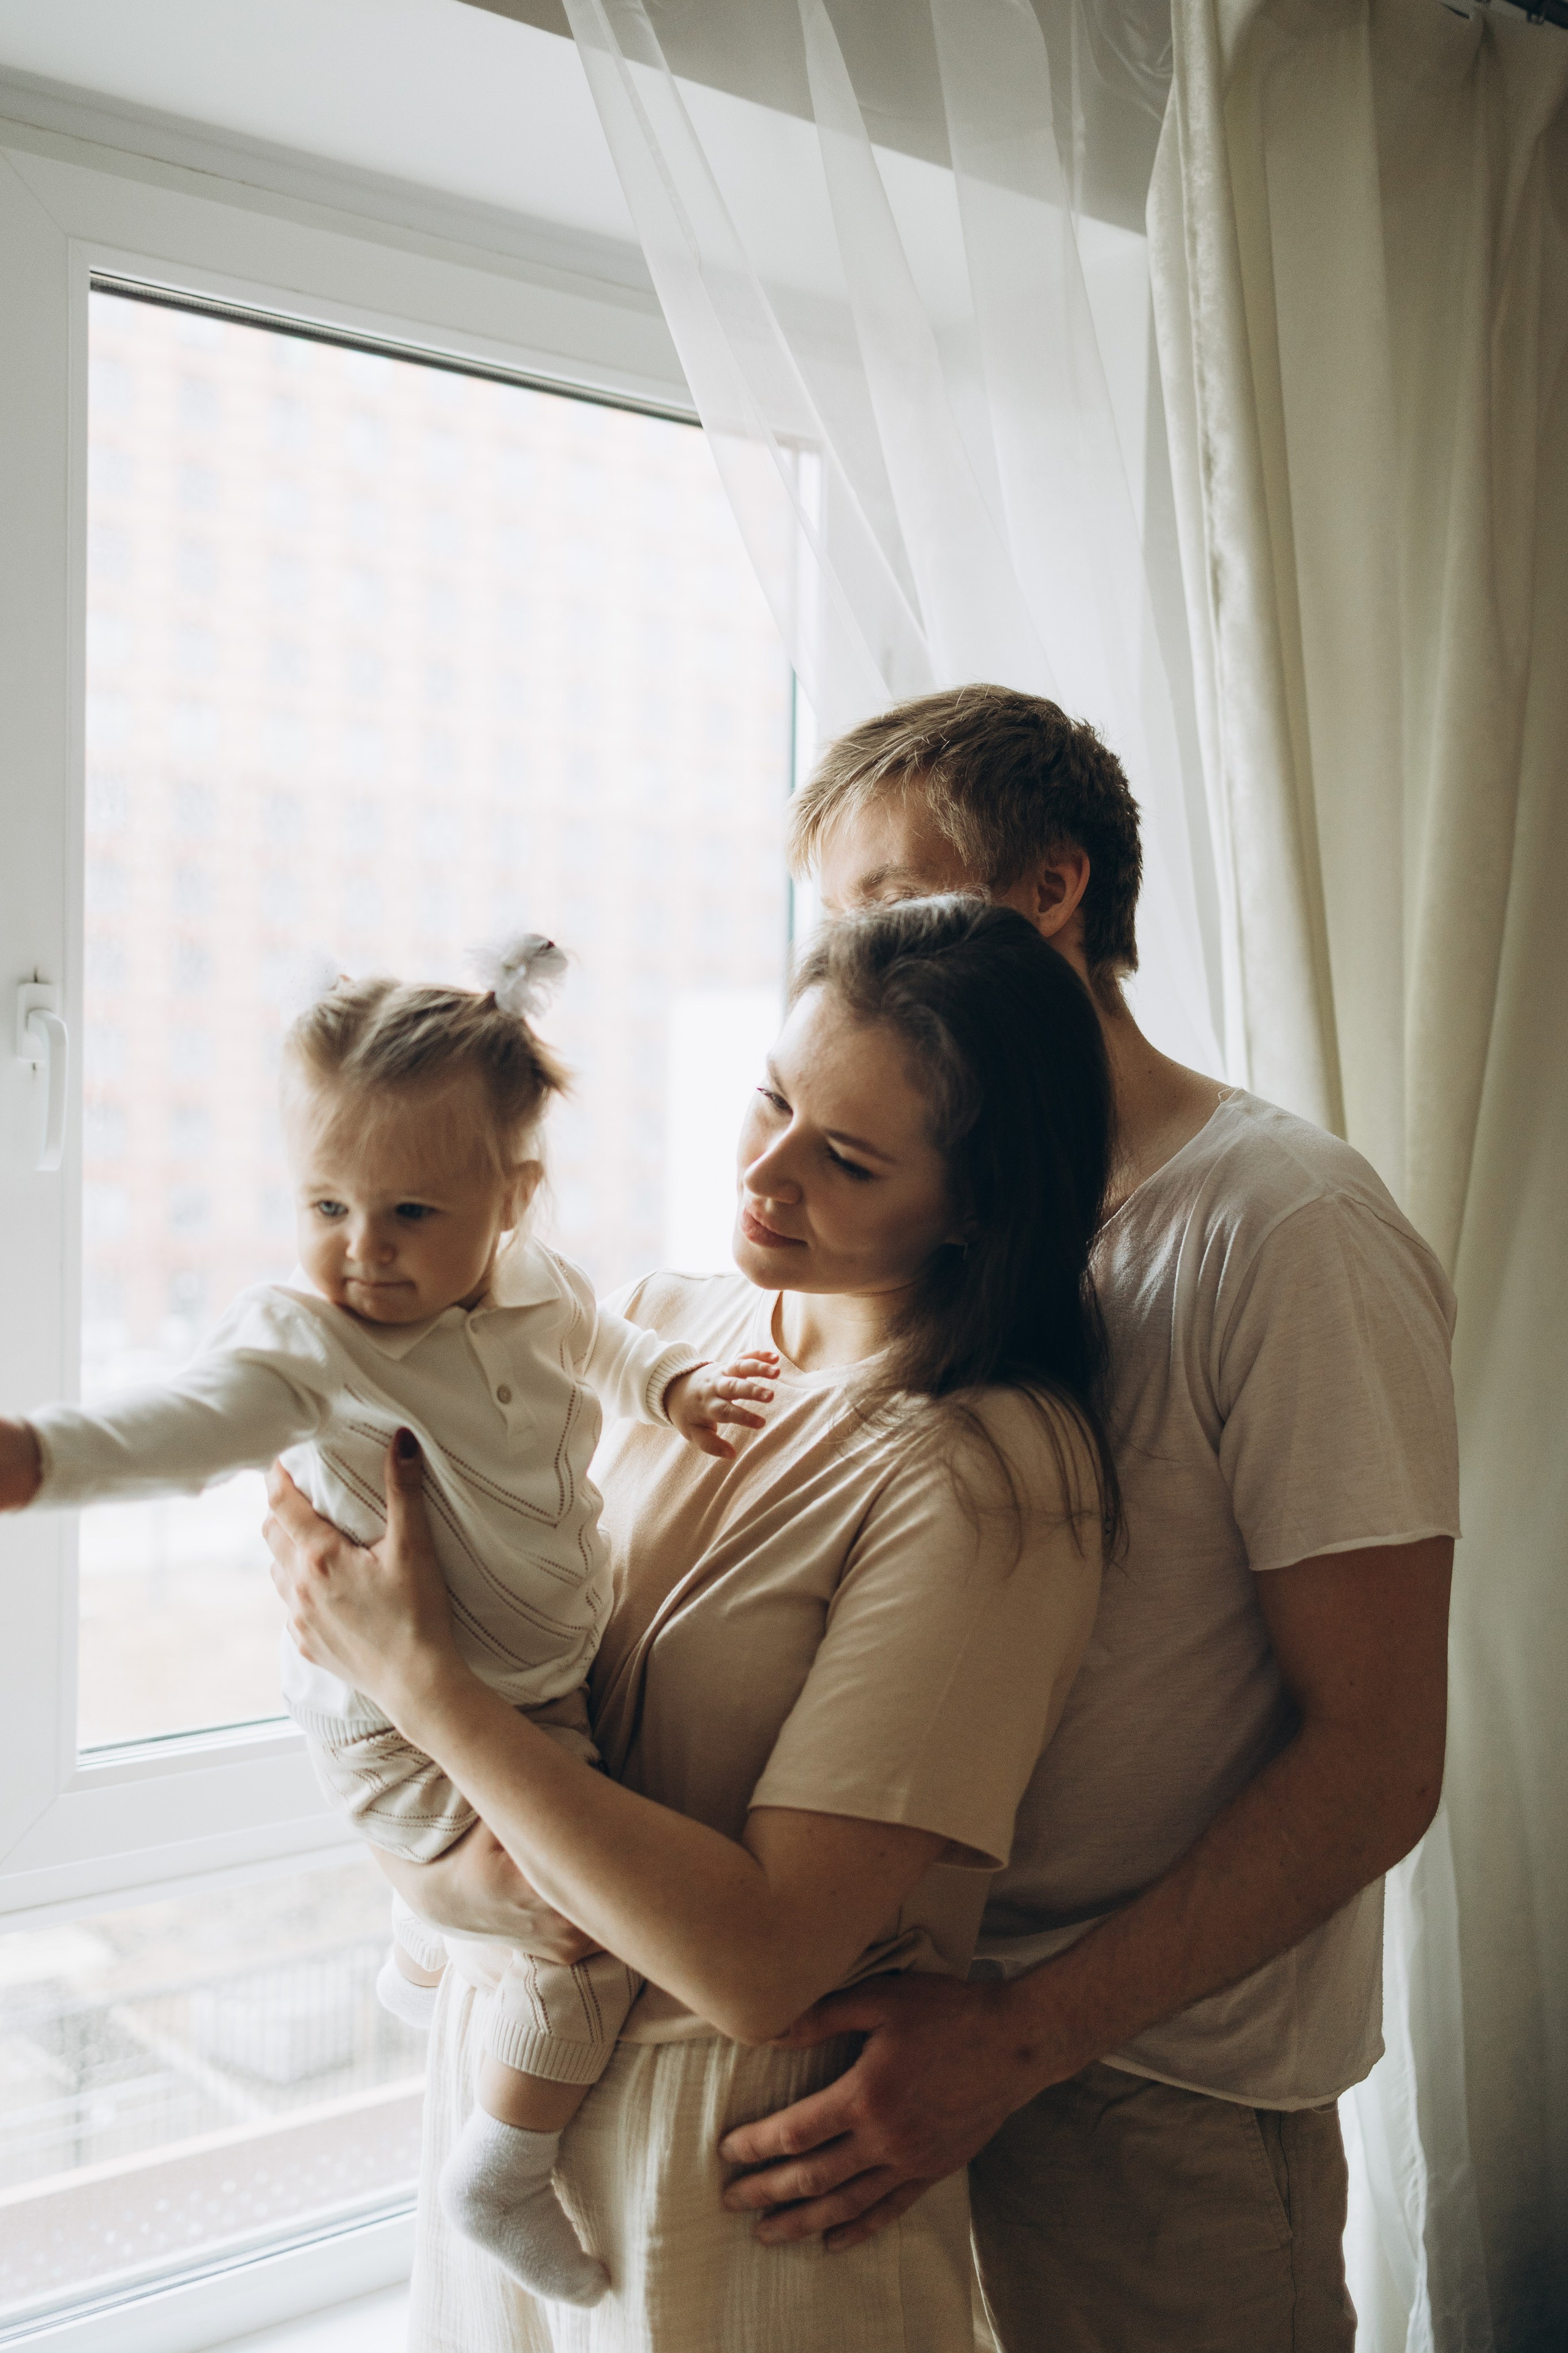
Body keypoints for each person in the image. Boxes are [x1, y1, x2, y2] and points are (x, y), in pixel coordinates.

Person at [262, 895, 1115, 2353]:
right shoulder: (663, 1330)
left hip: (731, 2186)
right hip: (504, 2105)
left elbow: (764, 1957)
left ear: (974, 1202)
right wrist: (437, 1882)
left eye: (844, 1158)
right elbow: (454, 1664)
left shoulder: (985, 1481)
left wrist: (418, 1687)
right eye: (770, 1100)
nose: (767, 1173)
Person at [715, 685, 1460, 2352]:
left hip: (1145, 2089)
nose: (855, 965)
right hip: (891, 2050)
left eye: (885, 901)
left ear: (1053, 889)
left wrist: (1018, 2038)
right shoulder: (917, 1217)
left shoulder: (1284, 1230)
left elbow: (1379, 1754)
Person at [0, 932, 775, 2309]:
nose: (361, 1252)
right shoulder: (309, 1344)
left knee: (524, 1876)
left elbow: (600, 1341)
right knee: (574, 1937)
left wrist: (673, 1392)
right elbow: (185, 1426)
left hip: (533, 1684)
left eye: (410, 1213)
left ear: (511, 1198)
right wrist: (44, 1456)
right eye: (324, 1206)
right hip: (396, 1723)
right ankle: (502, 2162)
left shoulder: (539, 1284)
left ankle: (422, 1958)